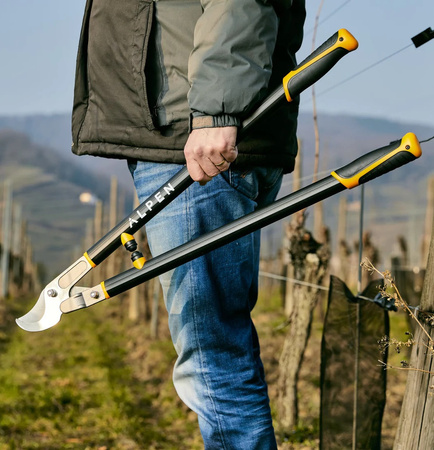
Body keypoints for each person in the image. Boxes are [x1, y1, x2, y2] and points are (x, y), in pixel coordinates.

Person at [72, 0, 305, 447]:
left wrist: (217, 107)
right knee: (211, 348)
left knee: (212, 351)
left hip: (200, 140)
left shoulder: (208, 121)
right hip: (185, 132)